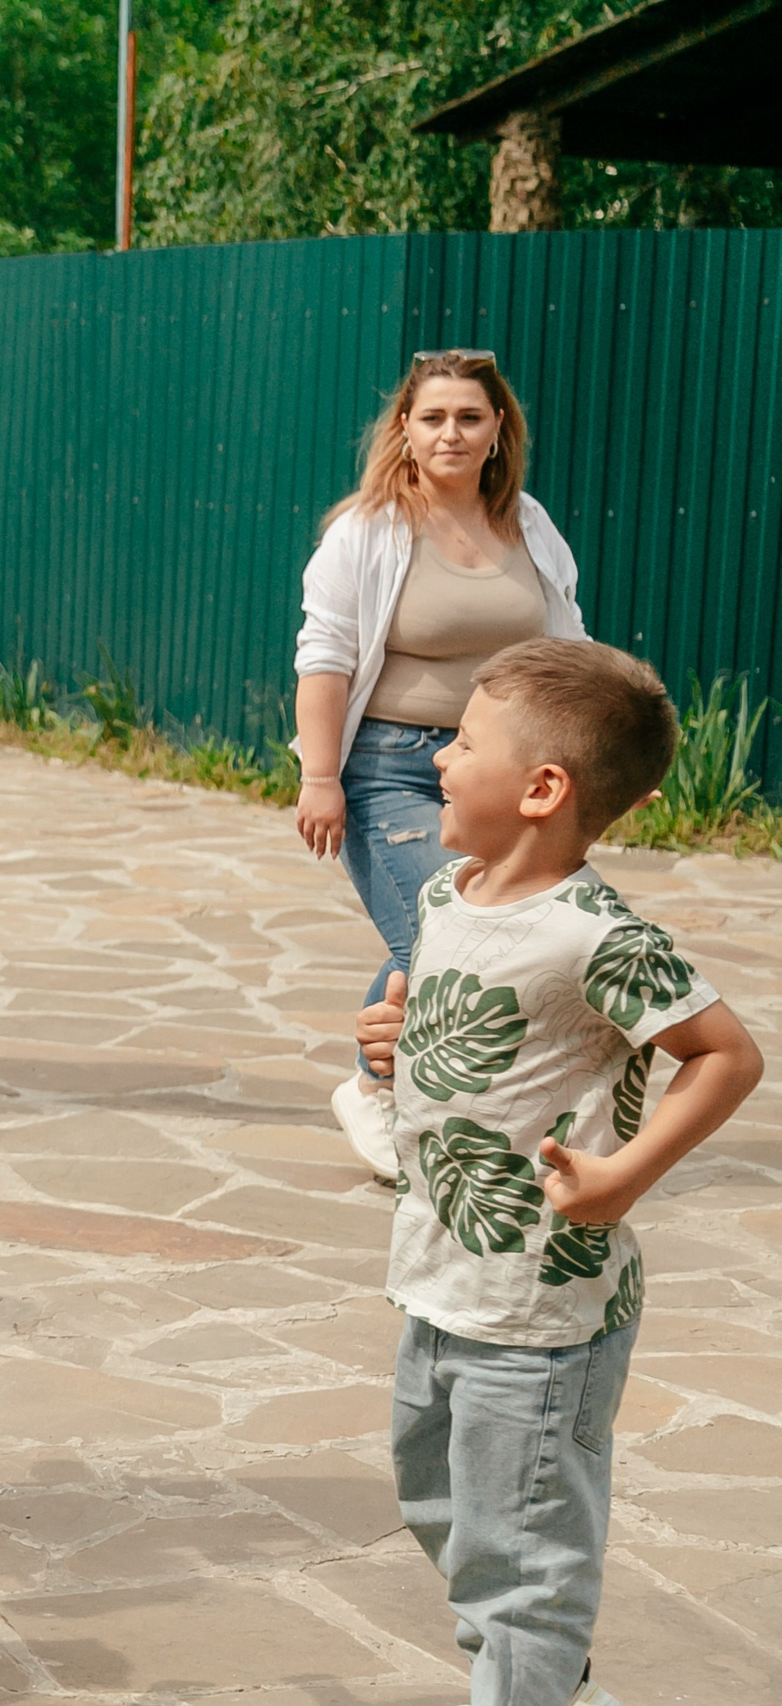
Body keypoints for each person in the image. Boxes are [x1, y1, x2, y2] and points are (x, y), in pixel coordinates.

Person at [352, 638, 762, 1706]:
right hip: (442, 1275)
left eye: (462, 742)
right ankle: (543, 1672)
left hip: (540, 1307)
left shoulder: (599, 934)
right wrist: (401, 1037)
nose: (437, 758)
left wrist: (623, 1175)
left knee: (521, 1561)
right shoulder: (450, 891)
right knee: (439, 1502)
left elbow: (726, 1051)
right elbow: (466, 1030)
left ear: (542, 788)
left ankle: (529, 1666)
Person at [294, 349, 588, 1180]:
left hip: (504, 771)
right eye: (433, 418)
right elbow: (325, 657)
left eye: (468, 417)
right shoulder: (369, 529)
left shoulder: (527, 524)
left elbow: (568, 644)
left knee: (489, 929)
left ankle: (467, 1100)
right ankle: (373, 1085)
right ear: (406, 431)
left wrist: (603, 750)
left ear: (498, 430)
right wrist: (321, 777)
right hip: (388, 766)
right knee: (437, 931)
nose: (450, 433)